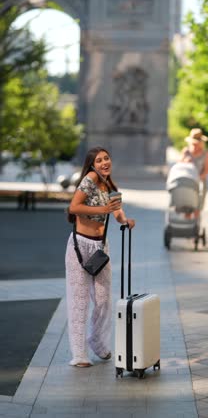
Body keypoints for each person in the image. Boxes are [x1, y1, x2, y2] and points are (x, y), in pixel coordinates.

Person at [65, 146, 135, 368]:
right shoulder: (90, 178)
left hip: (100, 248)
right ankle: (79, 354)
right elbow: (74, 207)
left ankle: (97, 341)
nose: (105, 162)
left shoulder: (110, 184)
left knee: (104, 300)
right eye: (99, 160)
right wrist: (102, 210)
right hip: (79, 245)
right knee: (80, 300)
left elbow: (116, 211)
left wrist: (125, 220)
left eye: (107, 158)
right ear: (92, 164)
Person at [180, 128, 208, 213]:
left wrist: (198, 178)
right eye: (193, 143)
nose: (195, 145)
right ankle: (187, 218)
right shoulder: (186, 151)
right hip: (187, 178)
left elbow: (206, 170)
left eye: (197, 143)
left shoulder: (205, 153)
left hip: (200, 179)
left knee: (200, 196)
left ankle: (196, 219)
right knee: (186, 201)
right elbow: (179, 166)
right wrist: (185, 162)